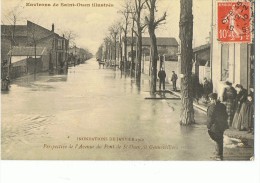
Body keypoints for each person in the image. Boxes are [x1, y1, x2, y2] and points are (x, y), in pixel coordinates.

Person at [207, 93, 229, 161]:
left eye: (210, 99)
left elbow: (210, 118)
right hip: (221, 125)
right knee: (220, 139)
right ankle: (219, 154)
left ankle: (218, 155)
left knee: (217, 139)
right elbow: (226, 115)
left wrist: (208, 126)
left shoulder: (212, 107)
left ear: (212, 99)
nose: (210, 100)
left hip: (215, 126)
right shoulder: (222, 105)